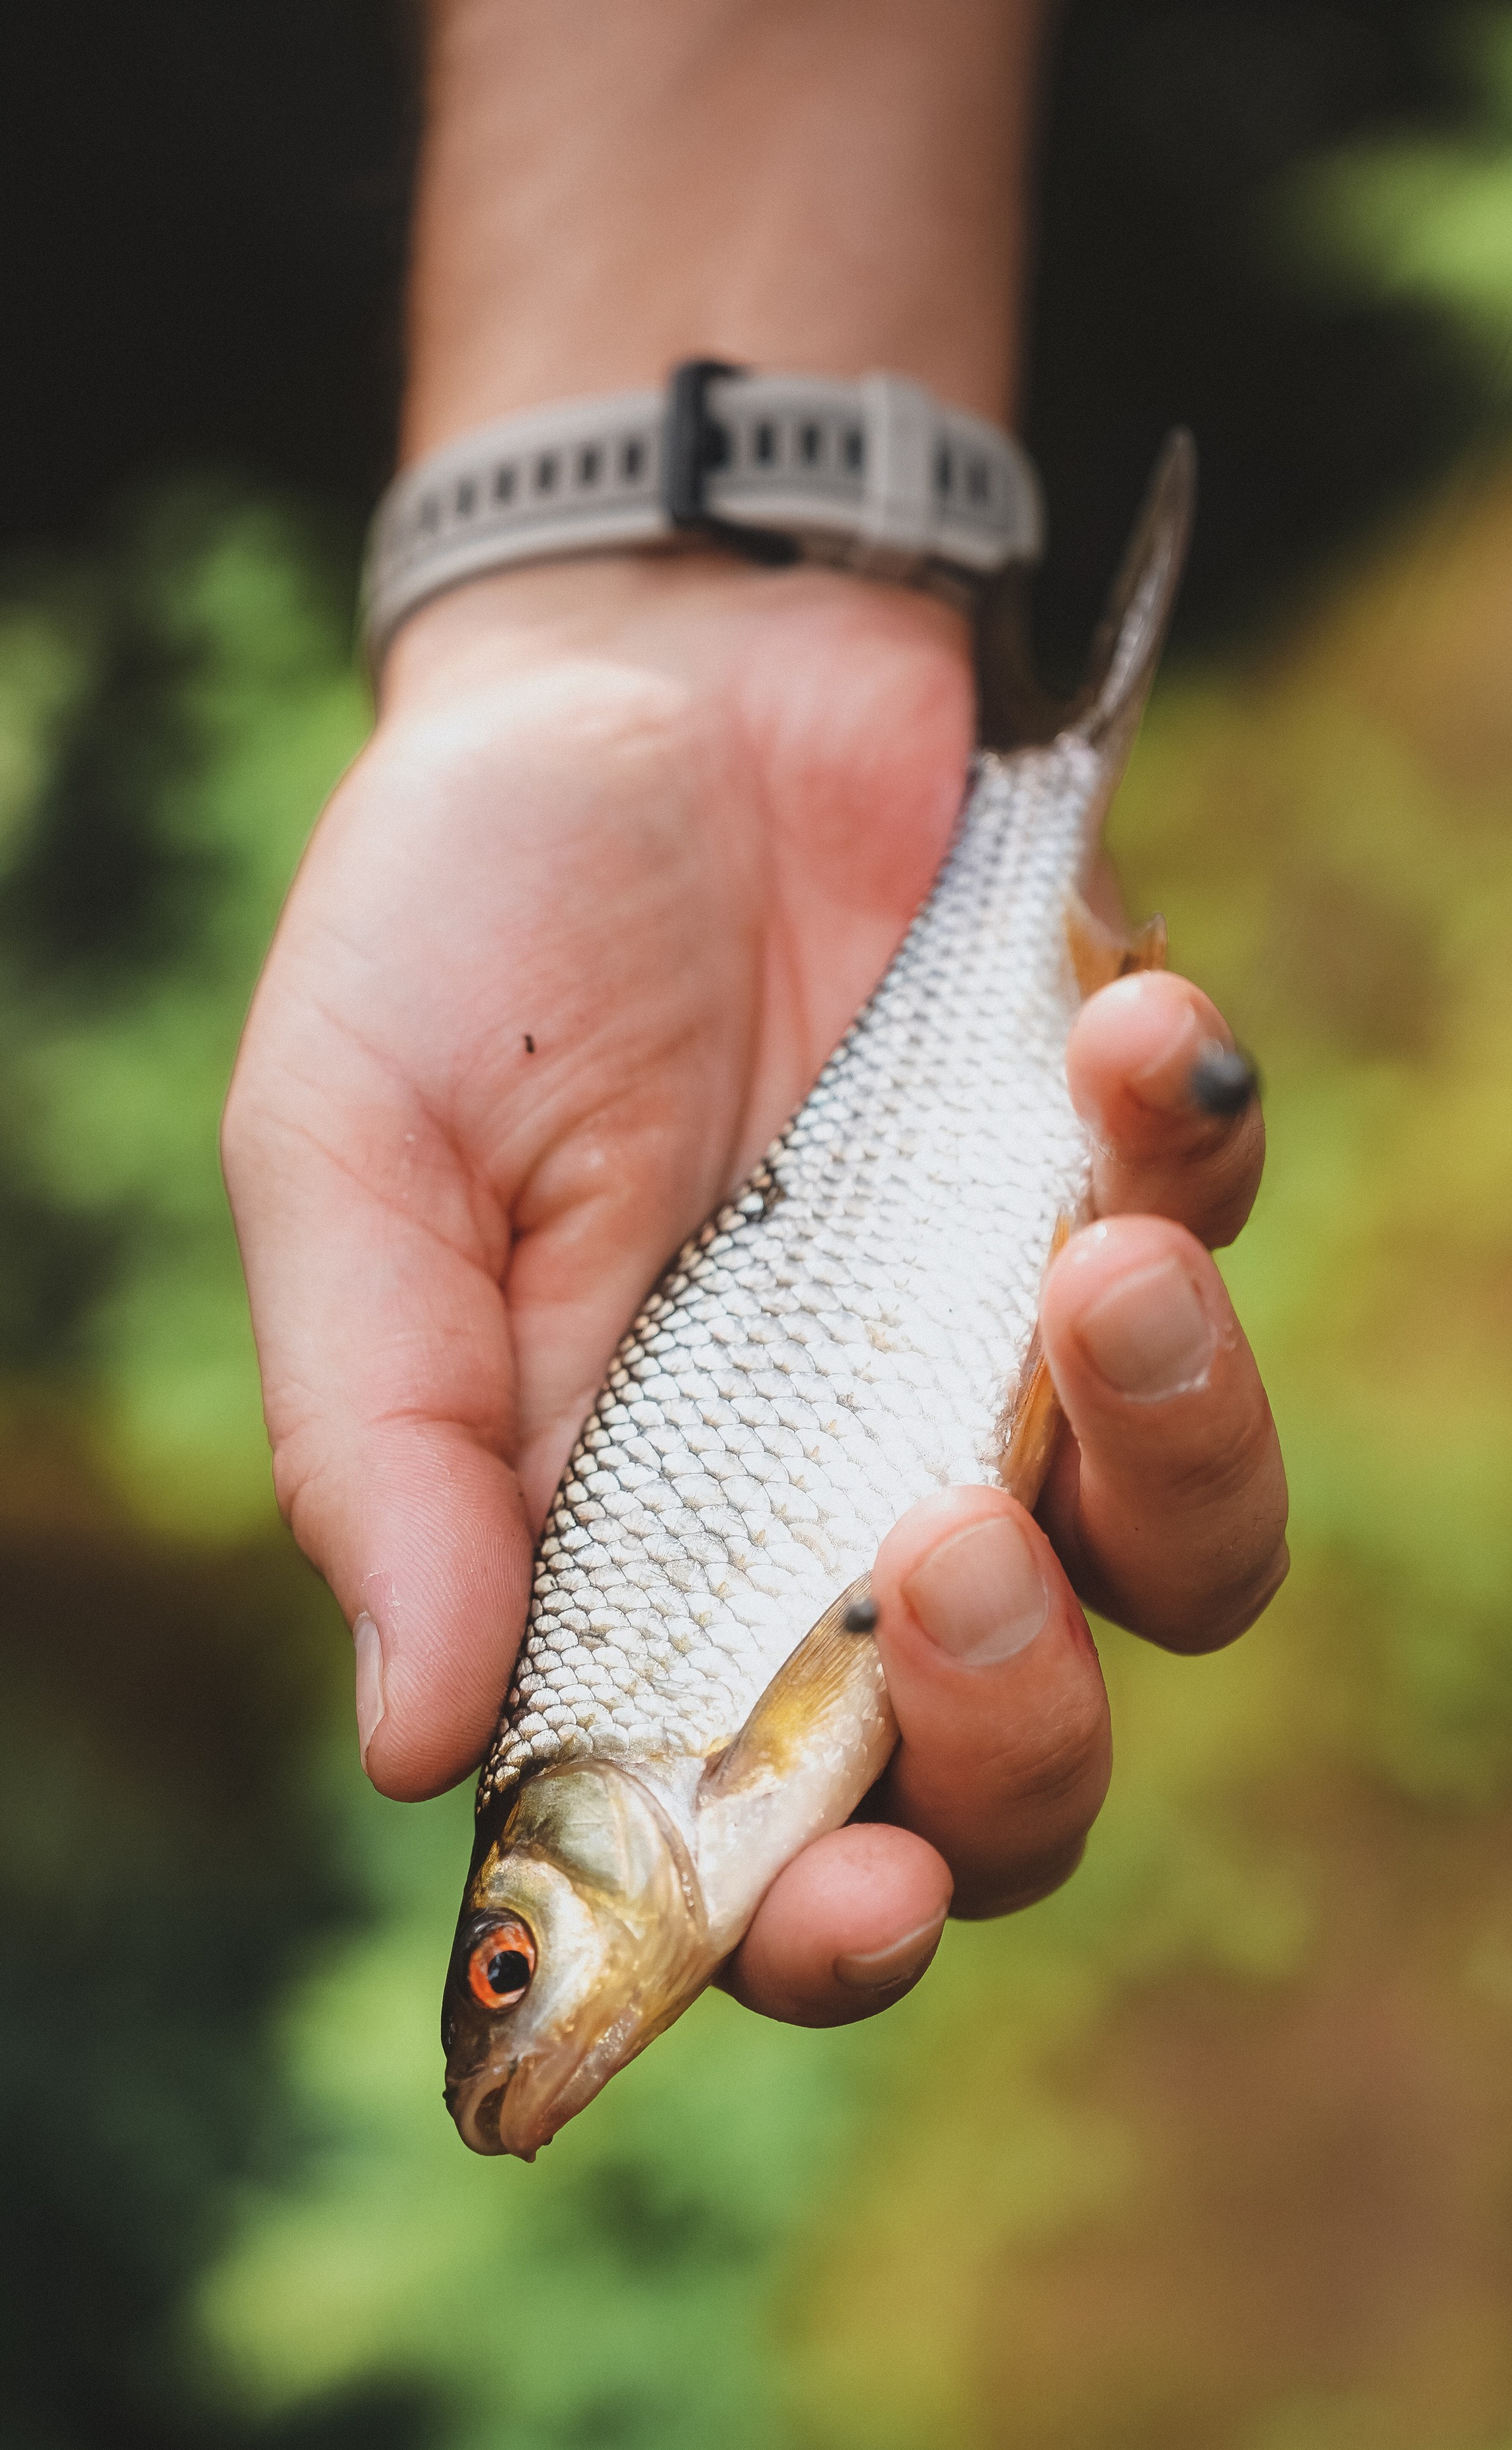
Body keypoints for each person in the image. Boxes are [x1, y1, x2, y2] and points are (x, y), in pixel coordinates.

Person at [221, 0, 1288, 2027]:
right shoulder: (708, 1834)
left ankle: (1030, 785)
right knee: (1091, 1269)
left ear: (560, 1874)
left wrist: (627, 584)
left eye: (513, 1971)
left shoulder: (672, 1775)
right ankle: (1032, 819)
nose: (531, 2034)